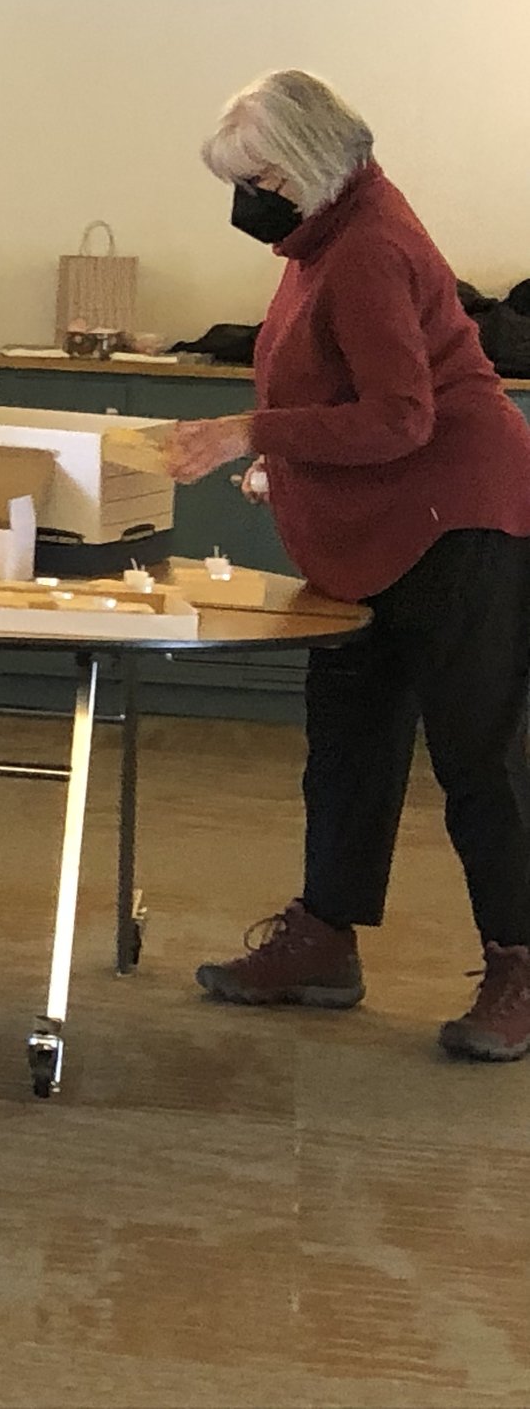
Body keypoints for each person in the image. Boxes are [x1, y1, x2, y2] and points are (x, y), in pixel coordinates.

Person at [167, 70, 530, 1063]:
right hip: (379, 520)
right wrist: (286, 455)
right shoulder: (321, 231)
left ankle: (517, 963)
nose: (245, 199)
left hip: (456, 518)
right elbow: (340, 393)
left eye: (253, 177)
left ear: (300, 167)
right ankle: (324, 939)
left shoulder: (366, 244)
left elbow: (401, 417)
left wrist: (252, 433)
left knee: (478, 758)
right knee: (348, 741)